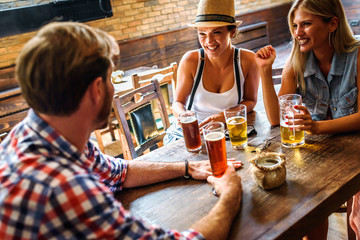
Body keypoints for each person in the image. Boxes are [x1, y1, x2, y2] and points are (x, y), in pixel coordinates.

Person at [0, 22, 243, 239]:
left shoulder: (37, 133)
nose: (113, 90)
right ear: (97, 89)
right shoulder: (67, 188)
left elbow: (118, 172)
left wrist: (188, 167)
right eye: (109, 80)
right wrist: (230, 196)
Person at [254, 0, 360, 239]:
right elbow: (275, 119)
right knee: (307, 204)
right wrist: (264, 70)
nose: (297, 33)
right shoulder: (296, 62)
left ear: (332, 24)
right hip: (320, 154)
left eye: (306, 24)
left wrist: (315, 126)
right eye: (295, 25)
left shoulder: (358, 55)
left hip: (355, 154)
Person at [164, 0, 260, 144]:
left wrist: (227, 116)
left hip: (228, 132)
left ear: (232, 32)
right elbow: (177, 103)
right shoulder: (191, 60)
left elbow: (251, 101)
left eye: (216, 32)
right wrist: (184, 116)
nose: (209, 41)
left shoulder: (248, 60)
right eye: (202, 34)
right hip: (193, 135)